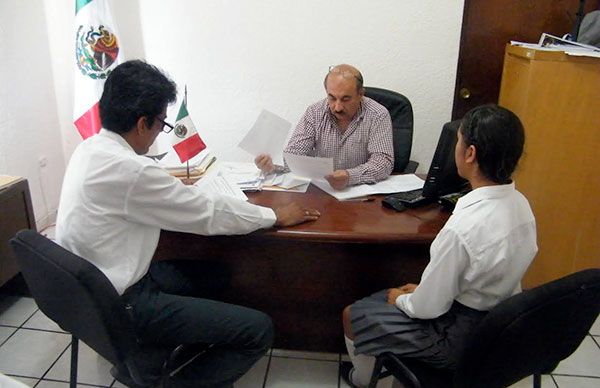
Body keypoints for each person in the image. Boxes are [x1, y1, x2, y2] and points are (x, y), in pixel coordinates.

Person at [55, 60, 321, 388]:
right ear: (143, 123)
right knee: (259, 330)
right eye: (162, 125)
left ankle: (149, 356)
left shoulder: (90, 148)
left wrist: (175, 195)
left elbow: (174, 202)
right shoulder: (131, 171)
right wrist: (274, 215)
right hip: (124, 302)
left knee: (218, 273)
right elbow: (206, 213)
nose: (158, 134)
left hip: (95, 288)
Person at [340, 105, 538, 387]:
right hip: (499, 327)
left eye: (458, 141)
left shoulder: (463, 227)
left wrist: (403, 298)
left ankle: (361, 380)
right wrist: (423, 290)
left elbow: (428, 308)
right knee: (413, 292)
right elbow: (481, 274)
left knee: (353, 313)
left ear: (470, 154)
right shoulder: (522, 205)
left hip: (458, 338)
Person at [254, 64, 394, 190]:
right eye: (332, 98)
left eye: (345, 99)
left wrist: (349, 176)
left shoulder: (378, 114)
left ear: (360, 94)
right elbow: (294, 155)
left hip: (362, 193)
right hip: (323, 191)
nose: (337, 107)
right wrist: (272, 167)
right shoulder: (315, 113)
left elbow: (383, 162)